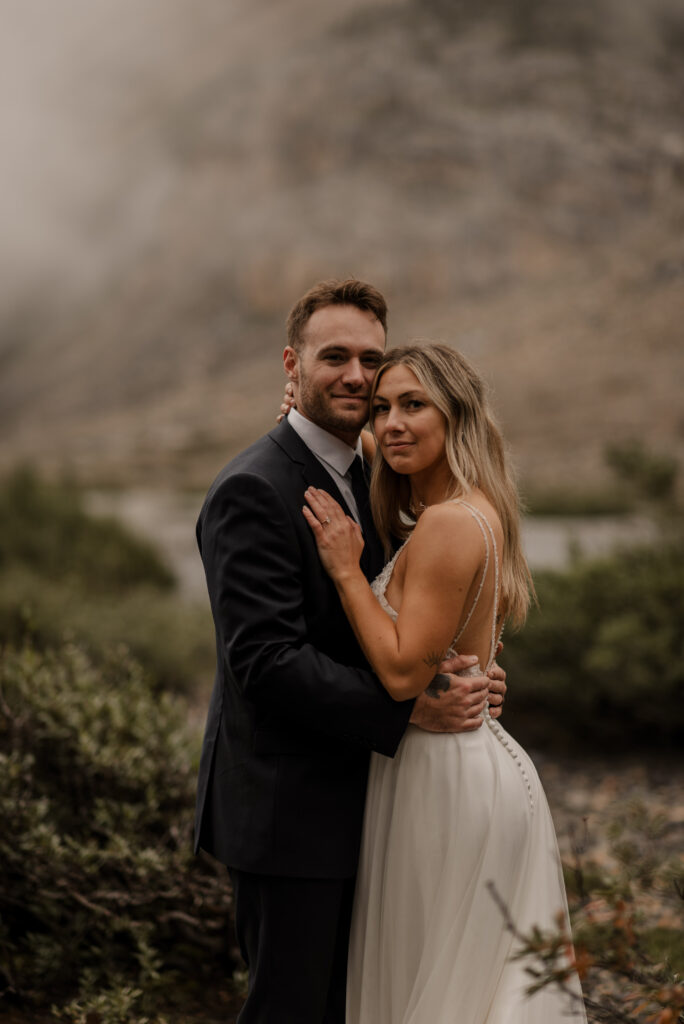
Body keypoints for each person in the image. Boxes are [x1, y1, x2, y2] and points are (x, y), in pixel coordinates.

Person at [194, 280, 507, 1024]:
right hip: (290, 812)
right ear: (291, 364)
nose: (357, 376)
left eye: (370, 359)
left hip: (378, 803)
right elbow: (265, 663)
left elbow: (420, 598)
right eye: (333, 356)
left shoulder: (377, 469)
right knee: (293, 1011)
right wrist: (410, 714)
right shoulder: (252, 488)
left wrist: (465, 664)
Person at [302, 342, 587, 1023]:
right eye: (380, 409)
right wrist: (298, 409)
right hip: (458, 761)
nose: (391, 424)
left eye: (412, 405)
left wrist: (346, 571)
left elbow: (402, 674)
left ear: (456, 416)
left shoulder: (450, 524)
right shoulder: (467, 507)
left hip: (444, 780)